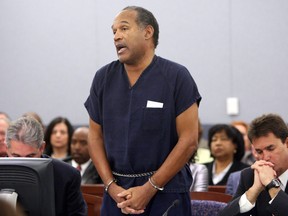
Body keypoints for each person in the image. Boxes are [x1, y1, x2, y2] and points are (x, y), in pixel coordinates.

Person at [84, 6, 201, 216]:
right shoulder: (103, 78)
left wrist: (149, 188)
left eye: (124, 28)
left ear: (148, 32)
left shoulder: (177, 76)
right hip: (117, 194)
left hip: (166, 191)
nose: (116, 36)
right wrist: (111, 187)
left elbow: (189, 140)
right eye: (113, 32)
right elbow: (94, 136)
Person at [5, 116, 87, 216]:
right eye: (16, 156)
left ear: (42, 148)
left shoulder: (68, 176)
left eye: (30, 156)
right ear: (6, 148)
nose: (23, 163)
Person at [219, 113, 288, 216]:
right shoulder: (250, 176)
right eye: (259, 151)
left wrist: (271, 185)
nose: (265, 157)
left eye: (270, 149)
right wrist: (253, 191)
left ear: (286, 143)